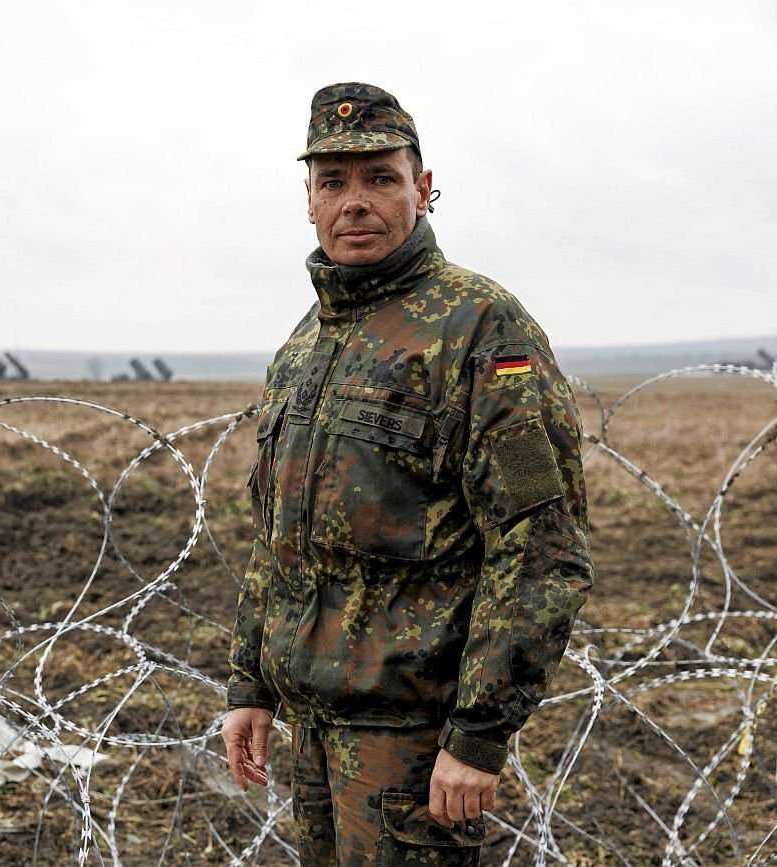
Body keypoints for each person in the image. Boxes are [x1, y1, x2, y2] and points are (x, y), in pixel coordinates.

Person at [221, 82, 594, 865]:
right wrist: (250, 683)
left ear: (423, 190)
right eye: (333, 181)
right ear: (309, 202)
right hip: (313, 731)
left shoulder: (483, 327)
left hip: (414, 747)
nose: (355, 201)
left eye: (380, 178)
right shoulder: (305, 343)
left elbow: (540, 542)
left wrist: (479, 732)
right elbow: (277, 536)